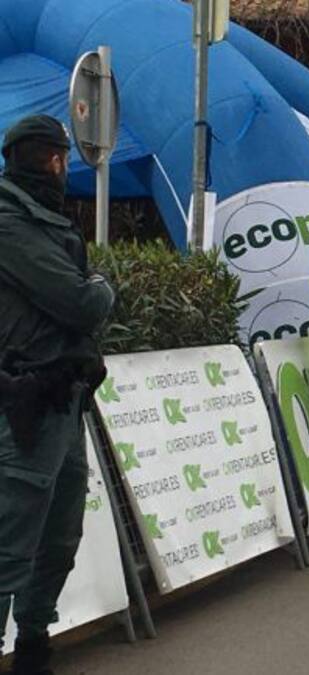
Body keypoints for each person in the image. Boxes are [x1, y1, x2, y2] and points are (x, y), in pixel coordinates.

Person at [0, 115, 115, 672]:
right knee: (11, 539)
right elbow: (77, 301)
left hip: (64, 396)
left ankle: (33, 642)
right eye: (62, 158)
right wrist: (100, 288)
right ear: (50, 160)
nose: (64, 169)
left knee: (61, 530)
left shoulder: (45, 218)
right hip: (25, 399)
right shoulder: (7, 219)